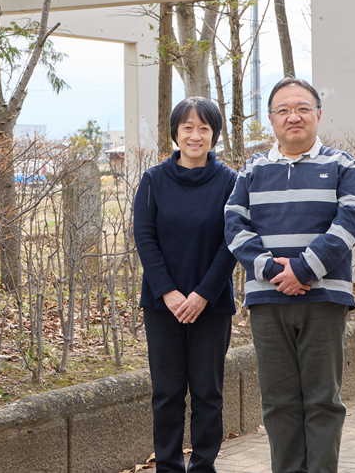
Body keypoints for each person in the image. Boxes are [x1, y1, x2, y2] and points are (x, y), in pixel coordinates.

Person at [224, 77, 355, 473]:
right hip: (268, 300)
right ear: (270, 119)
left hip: (324, 297)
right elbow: (234, 227)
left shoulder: (342, 164)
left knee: (323, 400)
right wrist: (274, 272)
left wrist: (303, 269)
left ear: (318, 115)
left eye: (303, 108)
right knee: (278, 401)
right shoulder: (252, 168)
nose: (294, 117)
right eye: (283, 110)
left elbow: (350, 221)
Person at [134, 97, 238, 473]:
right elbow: (145, 238)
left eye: (204, 128)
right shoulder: (153, 180)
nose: (195, 135)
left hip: (212, 305)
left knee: (208, 393)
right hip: (163, 306)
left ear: (214, 134)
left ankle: (204, 467)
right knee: (167, 393)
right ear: (175, 133)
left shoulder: (230, 182)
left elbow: (232, 243)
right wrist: (170, 292)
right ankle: (168, 466)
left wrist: (202, 295)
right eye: (188, 128)